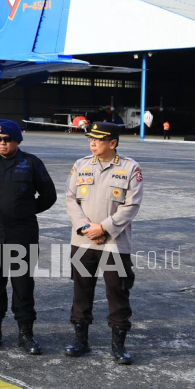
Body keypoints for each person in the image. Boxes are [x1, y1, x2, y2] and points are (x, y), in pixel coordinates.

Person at [0, 120, 56, 355]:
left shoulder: (31, 163)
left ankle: (25, 334)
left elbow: (49, 195)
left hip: (23, 233)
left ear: (17, 140)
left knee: (23, 285)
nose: (2, 143)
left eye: (7, 139)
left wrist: (25, 210)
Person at [65, 122, 143, 365]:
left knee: (117, 291)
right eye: (91, 139)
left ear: (113, 143)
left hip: (114, 244)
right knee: (81, 290)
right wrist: (85, 227)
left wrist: (104, 228)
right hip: (82, 241)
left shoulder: (130, 168)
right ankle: (81, 340)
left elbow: (131, 205)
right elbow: (70, 199)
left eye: (98, 139)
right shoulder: (81, 165)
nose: (93, 143)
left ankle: (118, 344)